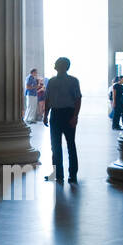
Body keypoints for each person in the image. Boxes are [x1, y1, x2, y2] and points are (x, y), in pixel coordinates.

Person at [43, 57, 81, 185]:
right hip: (57, 113)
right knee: (56, 146)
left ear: (62, 67)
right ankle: (59, 174)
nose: (54, 65)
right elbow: (48, 99)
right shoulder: (52, 81)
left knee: (69, 145)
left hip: (66, 113)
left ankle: (71, 174)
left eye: (56, 63)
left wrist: (75, 116)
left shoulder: (72, 81)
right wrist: (45, 114)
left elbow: (77, 99)